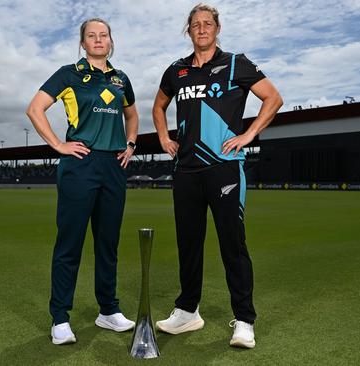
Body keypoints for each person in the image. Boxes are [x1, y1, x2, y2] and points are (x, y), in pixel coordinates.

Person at [152, 3, 283, 349]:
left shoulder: (235, 63)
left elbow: (273, 98)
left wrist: (249, 134)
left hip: (224, 167)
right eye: (195, 25)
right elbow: (158, 106)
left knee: (232, 245)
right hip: (186, 171)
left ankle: (244, 320)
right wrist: (165, 138)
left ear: (217, 28)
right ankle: (187, 311)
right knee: (188, 244)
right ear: (189, 31)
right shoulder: (176, 71)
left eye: (207, 24)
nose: (202, 29)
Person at [26, 17, 139, 345]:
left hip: (114, 166)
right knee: (70, 243)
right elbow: (35, 109)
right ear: (83, 43)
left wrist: (131, 143)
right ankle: (60, 318)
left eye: (103, 35)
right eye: (92, 35)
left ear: (110, 40)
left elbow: (132, 114)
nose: (98, 40)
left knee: (108, 244)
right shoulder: (69, 74)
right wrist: (58, 145)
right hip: (80, 164)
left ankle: (108, 310)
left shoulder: (121, 79)